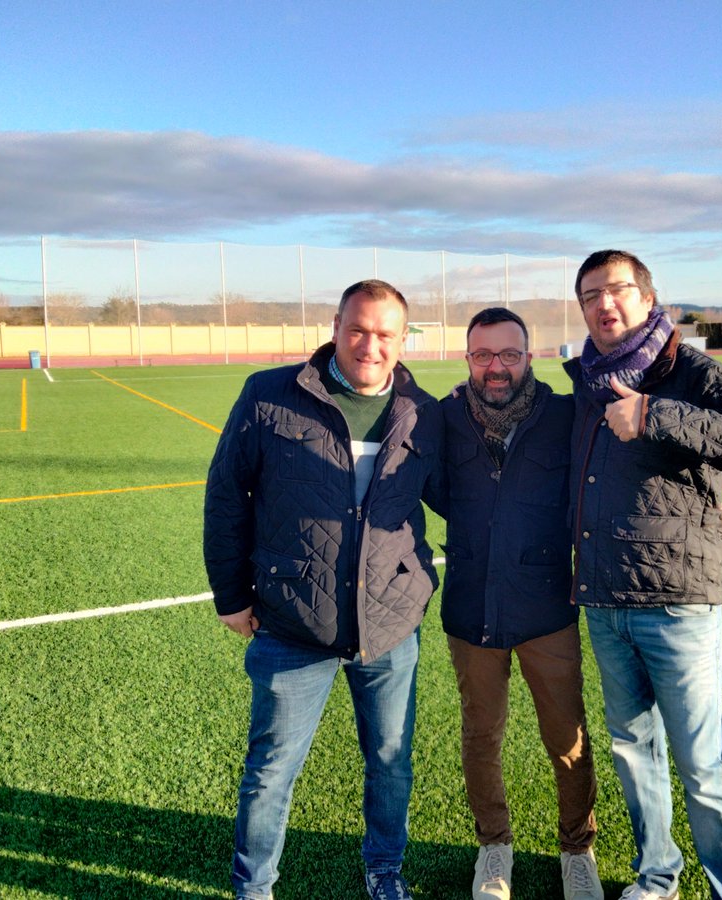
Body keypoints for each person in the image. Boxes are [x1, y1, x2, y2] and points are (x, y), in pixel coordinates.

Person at [203, 279, 442, 900]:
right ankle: (254, 888)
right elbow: (227, 495)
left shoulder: (422, 411)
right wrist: (231, 596)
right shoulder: (269, 393)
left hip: (388, 626)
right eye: (359, 329)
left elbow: (463, 498)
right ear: (335, 326)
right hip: (293, 622)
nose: (371, 345)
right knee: (271, 772)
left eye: (386, 334)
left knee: (390, 764)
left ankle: (384, 871)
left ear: (402, 339)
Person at [565, 251, 722, 900]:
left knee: (702, 765)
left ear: (648, 296)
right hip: (604, 602)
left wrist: (656, 415)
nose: (604, 304)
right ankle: (656, 876)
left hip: (676, 603)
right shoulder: (586, 380)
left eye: (617, 290)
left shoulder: (688, 372)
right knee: (635, 756)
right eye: (589, 296)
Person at [434, 307, 602, 900]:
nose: (496, 367)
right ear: (468, 360)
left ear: (528, 357)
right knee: (482, 734)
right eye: (483, 355)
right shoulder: (444, 418)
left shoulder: (564, 415)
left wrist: (707, 506)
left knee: (567, 737)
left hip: (546, 608)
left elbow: (617, 471)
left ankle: (577, 849)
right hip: (471, 610)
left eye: (508, 354)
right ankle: (494, 848)